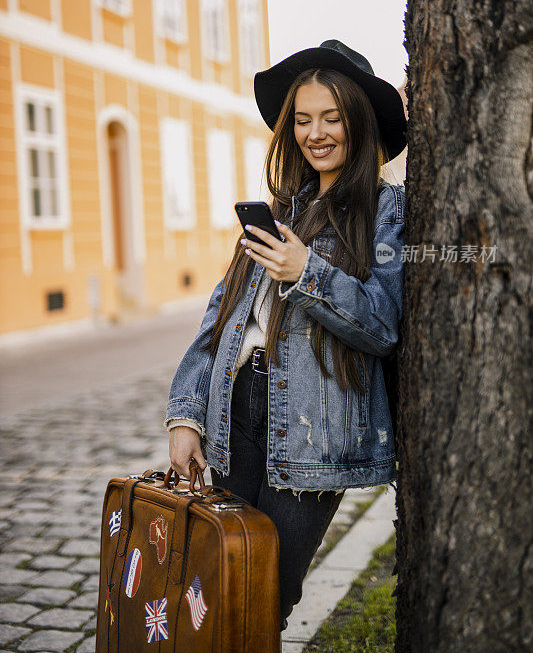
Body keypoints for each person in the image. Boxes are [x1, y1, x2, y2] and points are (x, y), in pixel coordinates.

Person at [164, 39, 407, 639]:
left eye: (331, 118)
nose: (315, 133)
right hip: (235, 413)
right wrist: (185, 417)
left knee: (265, 594)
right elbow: (221, 318)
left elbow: (383, 325)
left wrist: (309, 273)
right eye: (301, 120)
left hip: (312, 430)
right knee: (217, 581)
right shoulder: (280, 211)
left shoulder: (388, 212)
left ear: (358, 122)